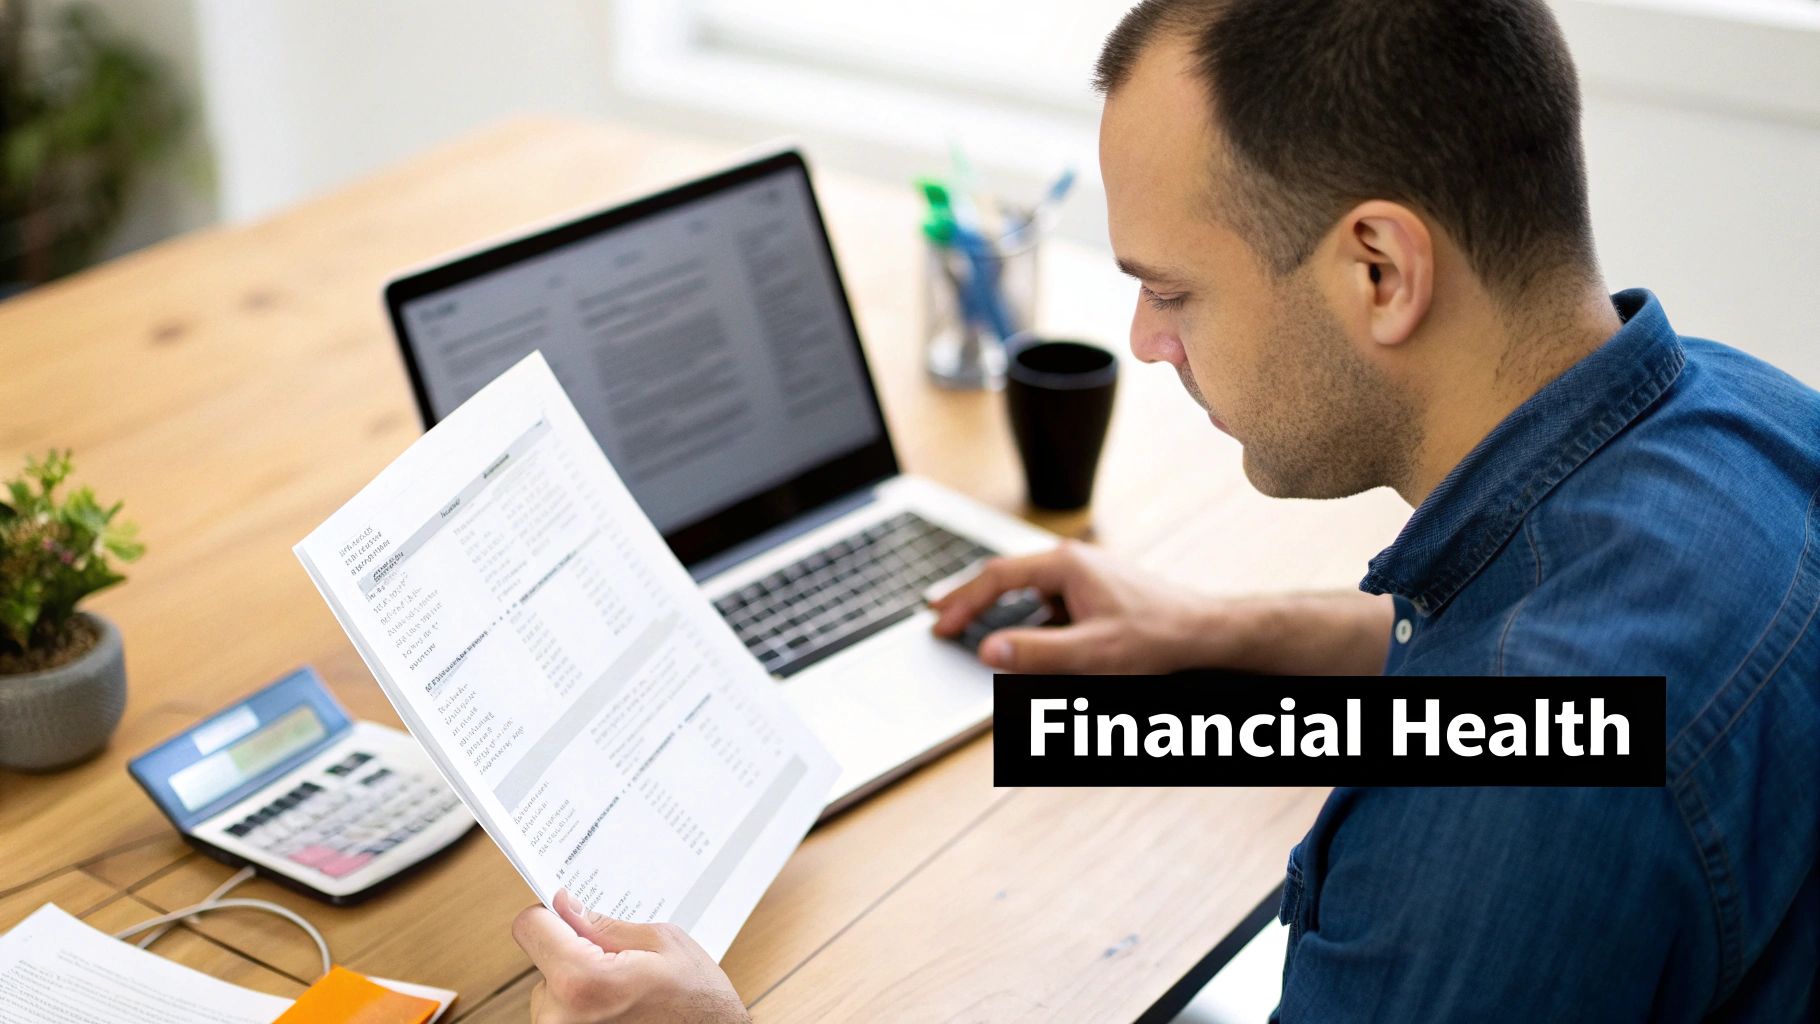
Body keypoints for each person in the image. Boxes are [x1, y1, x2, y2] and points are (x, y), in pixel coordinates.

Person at [510, 0, 1820, 1019]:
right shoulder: (1746, 416)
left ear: (1379, 268)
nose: (1143, 340)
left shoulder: (1502, 825)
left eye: (1175, 290)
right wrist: (1217, 633)